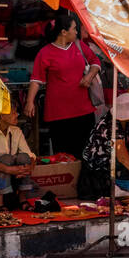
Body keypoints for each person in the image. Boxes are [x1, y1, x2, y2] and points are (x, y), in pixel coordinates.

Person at [24, 13, 99, 158]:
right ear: (64, 32)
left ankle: (83, 181)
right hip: (58, 115)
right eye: (74, 29)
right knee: (63, 156)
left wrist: (89, 76)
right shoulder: (45, 53)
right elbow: (36, 80)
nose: (77, 32)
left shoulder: (79, 45)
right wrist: (29, 102)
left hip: (83, 111)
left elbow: (96, 61)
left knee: (85, 154)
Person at [79, 92, 129, 199]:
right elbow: (123, 158)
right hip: (97, 178)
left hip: (109, 172)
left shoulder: (122, 123)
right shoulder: (112, 127)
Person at [0, 108, 36, 207]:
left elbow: (29, 155)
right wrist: (9, 169)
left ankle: (22, 199)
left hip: (12, 176)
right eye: (13, 113)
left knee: (24, 158)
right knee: (6, 159)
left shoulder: (16, 131)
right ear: (2, 116)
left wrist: (29, 167)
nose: (17, 115)